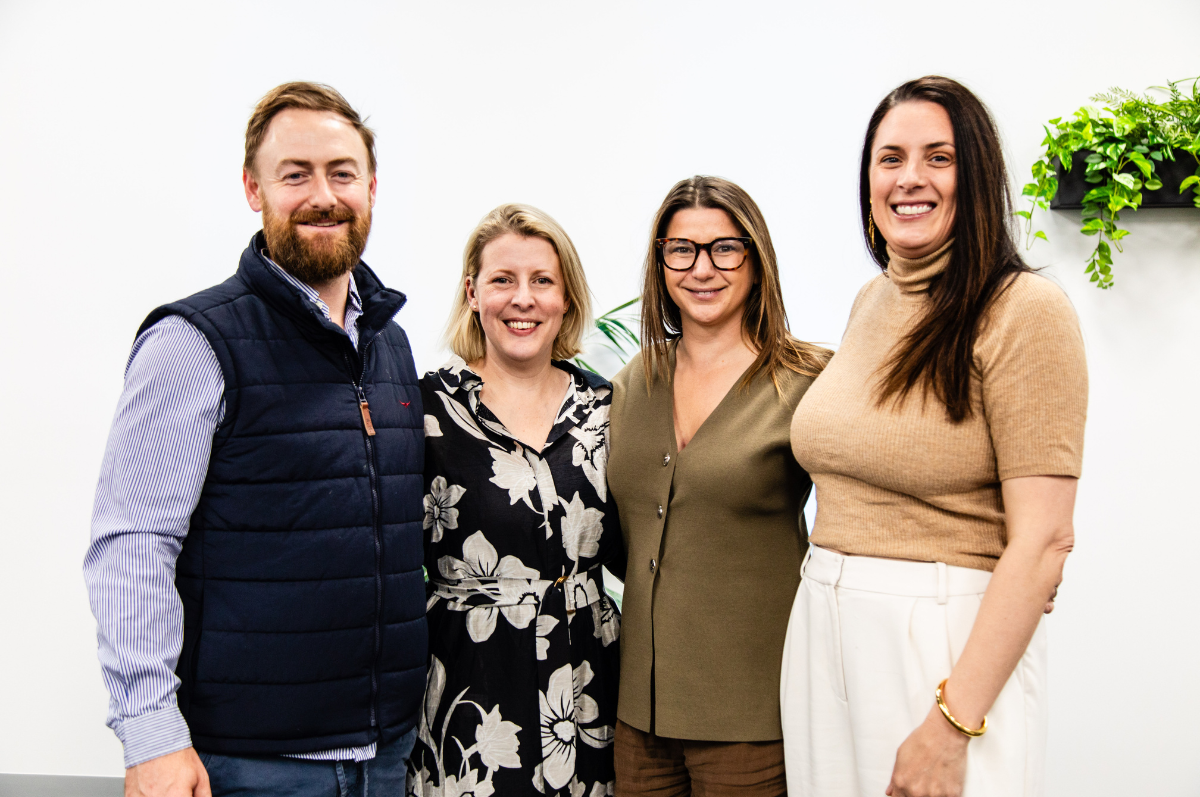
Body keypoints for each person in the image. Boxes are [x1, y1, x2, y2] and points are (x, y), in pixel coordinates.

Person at [83, 82, 427, 797]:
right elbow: (133, 544)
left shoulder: (389, 344)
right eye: (294, 174)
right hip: (247, 765)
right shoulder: (192, 342)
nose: (322, 194)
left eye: (341, 172)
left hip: (388, 756)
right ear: (253, 188)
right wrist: (151, 738)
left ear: (371, 187)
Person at [781, 76, 1088, 797]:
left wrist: (953, 722)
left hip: (940, 636)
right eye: (890, 158)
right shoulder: (872, 300)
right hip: (824, 619)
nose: (909, 178)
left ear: (977, 178)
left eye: (938, 158)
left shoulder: (1025, 312)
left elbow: (1043, 541)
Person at [607, 176, 832, 795]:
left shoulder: (808, 382)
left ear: (757, 263)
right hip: (637, 720)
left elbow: (872, 508)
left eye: (725, 248)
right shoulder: (633, 381)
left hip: (750, 720)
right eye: (681, 249)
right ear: (661, 264)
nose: (701, 268)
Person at [407, 204, 625, 797]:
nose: (522, 298)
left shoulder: (607, 408)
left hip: (588, 682)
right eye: (503, 280)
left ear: (566, 299)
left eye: (542, 281)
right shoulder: (425, 409)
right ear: (473, 293)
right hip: (470, 684)